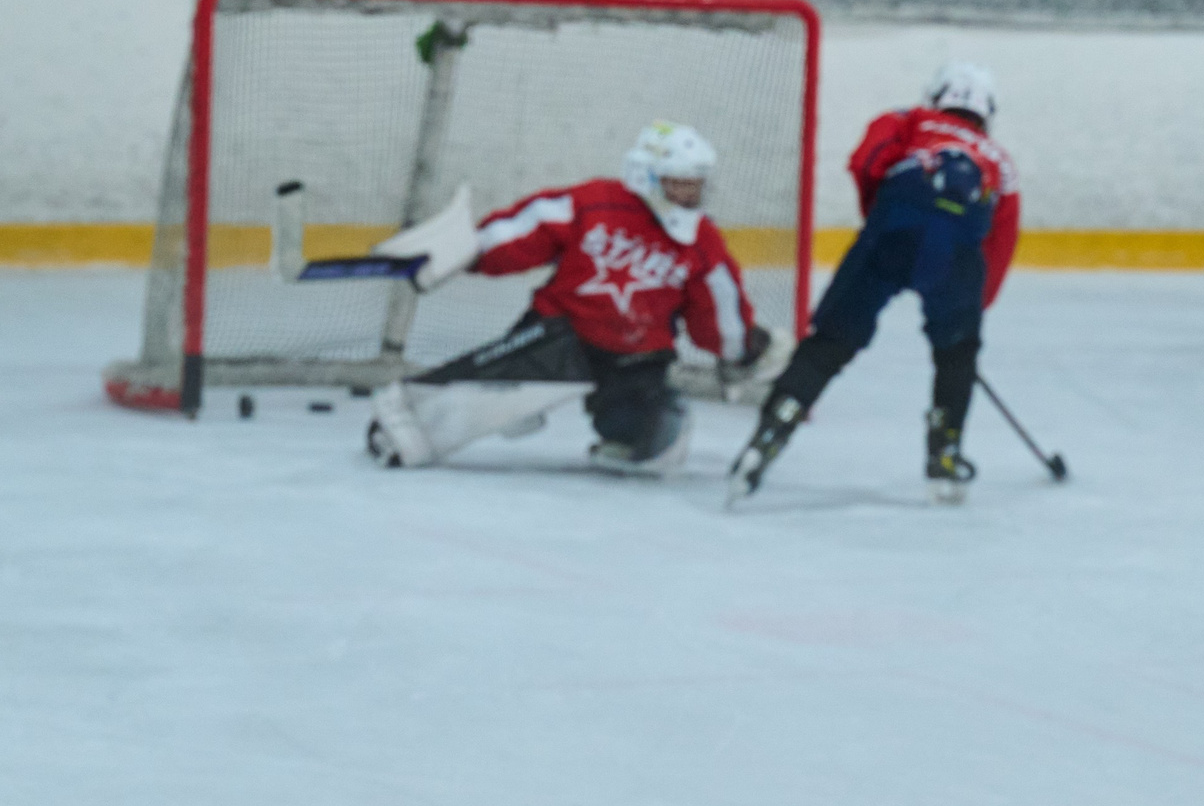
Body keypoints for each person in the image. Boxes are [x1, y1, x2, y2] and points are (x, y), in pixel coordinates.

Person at [366, 122, 775, 474]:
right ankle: (406, 417)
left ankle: (626, 435)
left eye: (695, 185)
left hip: (637, 357)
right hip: (560, 333)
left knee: (659, 443)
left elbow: (716, 309)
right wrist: (474, 249)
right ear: (645, 175)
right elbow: (530, 228)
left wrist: (741, 347)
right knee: (486, 391)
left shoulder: (702, 241)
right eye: (679, 183)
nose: (689, 195)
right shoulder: (595, 204)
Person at [728, 61, 1019, 503]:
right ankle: (945, 453)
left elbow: (865, 162)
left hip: (894, 229)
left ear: (935, 96)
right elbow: (1001, 240)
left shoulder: (906, 118)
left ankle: (771, 431)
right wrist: (967, 319)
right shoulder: (1000, 160)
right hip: (956, 250)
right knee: (955, 354)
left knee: (832, 340)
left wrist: (879, 224)